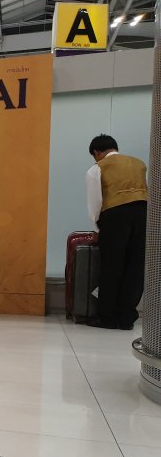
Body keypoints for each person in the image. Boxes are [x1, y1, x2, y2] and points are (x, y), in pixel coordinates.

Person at [85, 134, 148, 330]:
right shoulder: (139, 164)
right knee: (135, 267)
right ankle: (127, 318)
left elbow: (95, 202)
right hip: (143, 215)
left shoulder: (97, 168)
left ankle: (107, 317)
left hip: (114, 217)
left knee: (111, 267)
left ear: (97, 152)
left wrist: (97, 228)